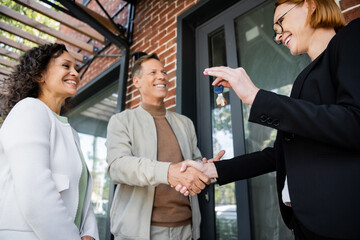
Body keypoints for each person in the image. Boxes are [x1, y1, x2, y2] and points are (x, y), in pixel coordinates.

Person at [178, 0, 360, 239]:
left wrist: (257, 97)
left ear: (310, 5)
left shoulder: (352, 37)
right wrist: (211, 169)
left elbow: (355, 122)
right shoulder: (303, 80)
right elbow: (278, 154)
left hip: (342, 223)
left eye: (280, 23)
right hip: (305, 224)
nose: (277, 36)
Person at [106, 53, 223, 240]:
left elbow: (193, 164)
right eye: (153, 72)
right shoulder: (121, 121)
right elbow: (118, 167)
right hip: (140, 233)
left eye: (164, 72)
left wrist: (207, 170)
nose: (162, 76)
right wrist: (168, 172)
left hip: (186, 230)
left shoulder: (185, 123)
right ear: (136, 82)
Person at [0, 43, 99, 240]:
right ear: (39, 75)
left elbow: (81, 197)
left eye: (76, 69)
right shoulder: (29, 110)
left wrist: (89, 233)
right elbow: (35, 193)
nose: (75, 74)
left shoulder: (72, 133)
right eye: (66, 66)